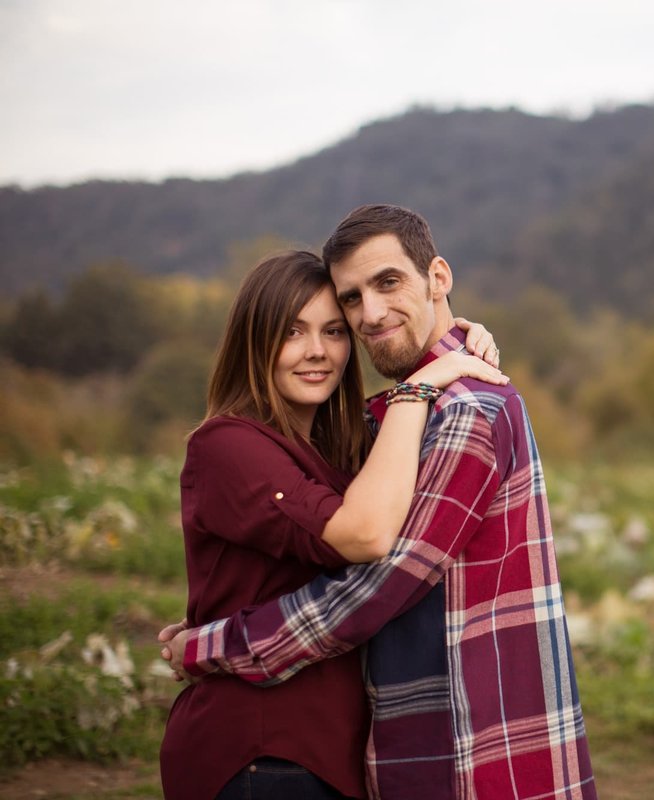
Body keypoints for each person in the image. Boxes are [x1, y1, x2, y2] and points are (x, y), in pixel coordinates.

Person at [163, 205, 596, 800]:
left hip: (470, 737)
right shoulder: (392, 419)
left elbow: (380, 581)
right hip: (323, 743)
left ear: (437, 278)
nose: (370, 313)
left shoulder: (462, 410)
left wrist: (213, 644)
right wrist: (433, 369)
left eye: (388, 283)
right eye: (352, 300)